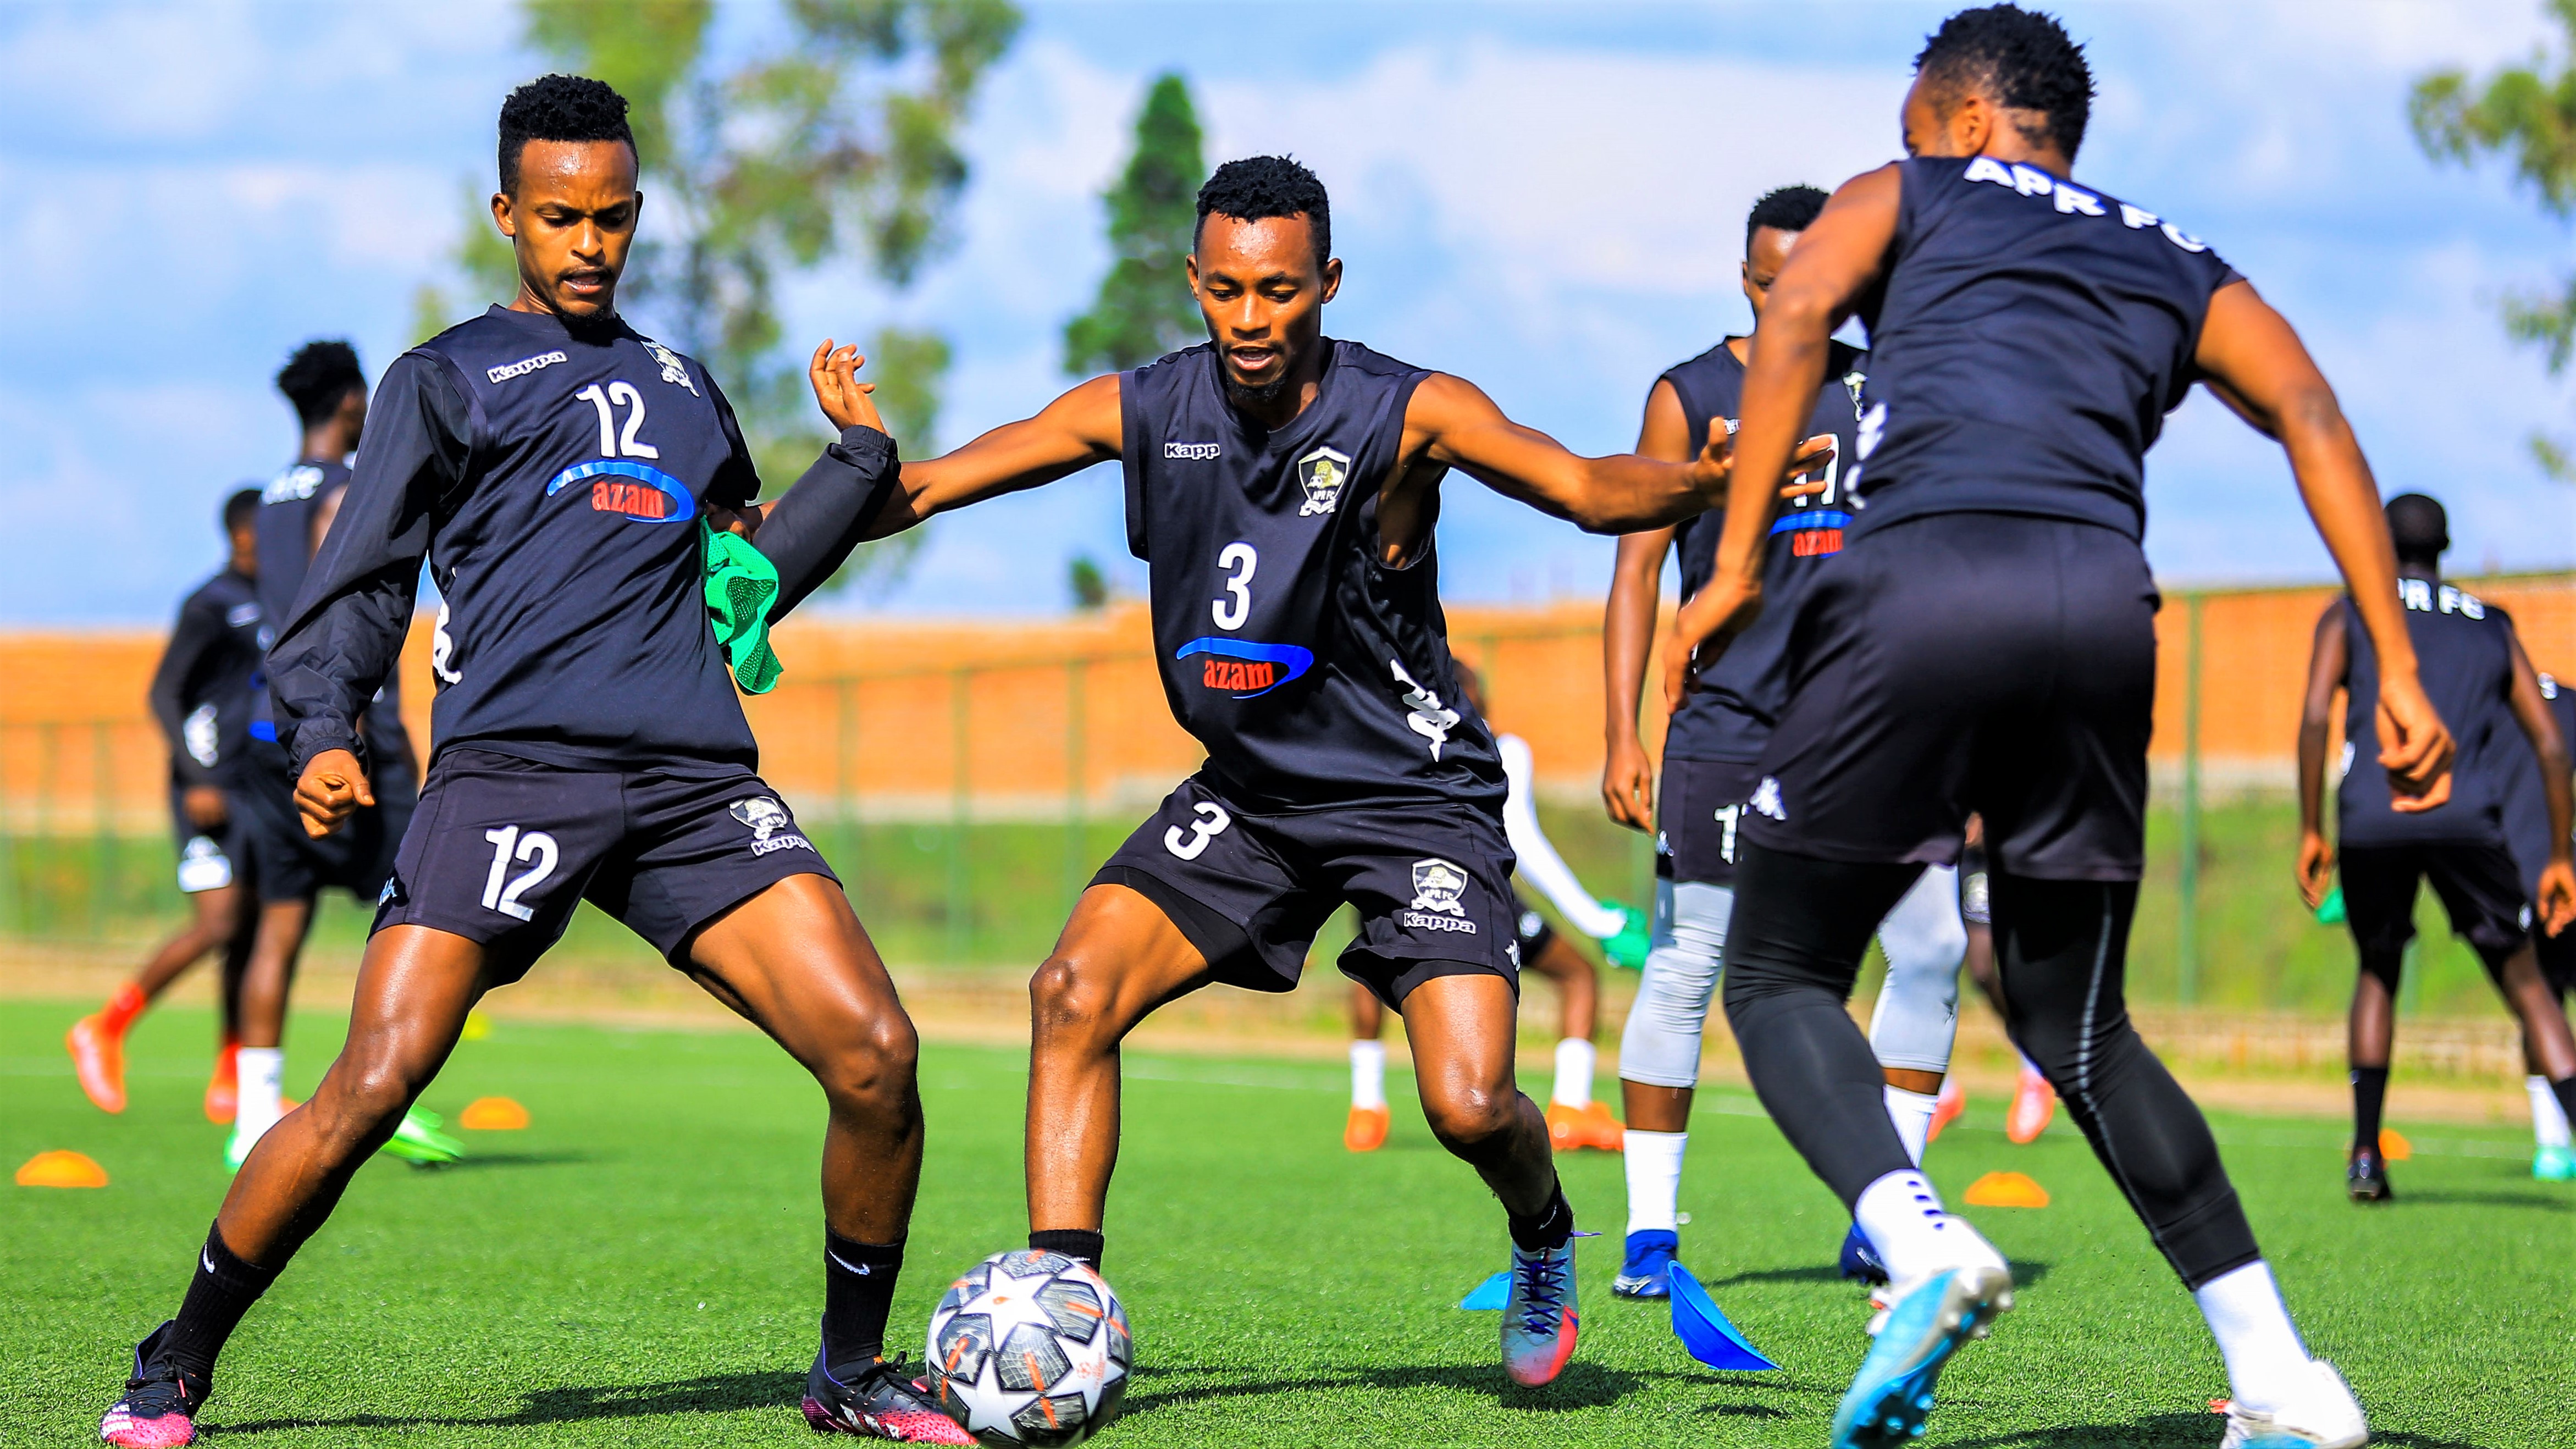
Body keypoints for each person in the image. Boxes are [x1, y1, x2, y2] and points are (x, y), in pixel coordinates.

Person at [97, 74, 957, 1448]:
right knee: (373, 1085)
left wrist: (855, 468)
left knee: (876, 1053)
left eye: (611, 217)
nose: (587, 242)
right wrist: (322, 732)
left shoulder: (685, 390)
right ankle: (173, 1361)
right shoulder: (443, 379)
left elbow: (739, 585)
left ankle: (849, 1373)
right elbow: (361, 581)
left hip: (690, 786)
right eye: (559, 215)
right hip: (510, 776)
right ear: (508, 212)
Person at [846, 154, 1782, 1389]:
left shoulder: (1412, 410)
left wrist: (1708, 485)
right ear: (1194, 282)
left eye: (1279, 291)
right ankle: (1065, 1317)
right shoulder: (1141, 407)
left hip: (1415, 801)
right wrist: (858, 465)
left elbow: (1585, 487)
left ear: (1326, 283)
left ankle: (1544, 1232)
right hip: (1252, 797)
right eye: (1226, 290)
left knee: (1466, 1102)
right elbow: (929, 487)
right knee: (1073, 991)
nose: (1250, 319)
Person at [1662, 8, 2462, 1446]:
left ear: (1966, 119)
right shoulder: (2171, 253)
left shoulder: (1906, 191)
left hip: (1917, 583)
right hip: (2099, 608)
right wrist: (2393, 665)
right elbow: (2309, 412)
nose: (1903, 142)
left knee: (1776, 967)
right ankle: (2282, 1380)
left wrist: (1727, 565)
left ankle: (1918, 1245)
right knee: (2074, 1021)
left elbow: (1789, 318)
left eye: (1914, 119)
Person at [1600, 184, 1967, 1301]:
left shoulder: (1886, 387)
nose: (1789, 296)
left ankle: (1888, 1213)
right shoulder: (1691, 393)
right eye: (1769, 280)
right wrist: (1624, 729)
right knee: (1688, 966)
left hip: (1867, 730)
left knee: (1937, 945)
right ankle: (1651, 1234)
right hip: (1723, 726)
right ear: (1746, 277)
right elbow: (1637, 572)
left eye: (1811, 279)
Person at [2295, 492, 2576, 1200]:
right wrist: (2561, 856)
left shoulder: (2352, 610)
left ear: (2382, 543)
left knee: (2377, 968)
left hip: (2371, 813)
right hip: (2466, 815)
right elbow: (2548, 742)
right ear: (2445, 546)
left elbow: (2311, 715)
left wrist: (2311, 827)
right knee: (2528, 984)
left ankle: (2365, 1154)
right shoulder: (2490, 623)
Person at [215, 339, 451, 1170]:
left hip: (266, 722)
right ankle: (378, 1092)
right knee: (412, 908)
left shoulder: (268, 502)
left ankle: (251, 1116)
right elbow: (355, 597)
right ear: (350, 401)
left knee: (279, 925)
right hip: (342, 725)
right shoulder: (346, 489)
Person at [1345, 661, 1640, 1155]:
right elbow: (1522, 839)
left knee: (1366, 974)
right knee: (1578, 975)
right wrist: (1598, 919)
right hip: (1475, 889)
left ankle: (1365, 1109)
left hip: (1392, 880)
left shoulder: (1389, 739)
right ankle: (1569, 1109)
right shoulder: (1499, 746)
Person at [67, 489, 266, 1121]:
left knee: (253, 930)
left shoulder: (273, 600)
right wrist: (196, 774)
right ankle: (105, 1026)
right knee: (217, 921)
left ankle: (231, 1073)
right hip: (204, 789)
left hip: (254, 789)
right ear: (241, 535)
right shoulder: (211, 604)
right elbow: (163, 693)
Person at [2503, 668, 2576, 1179]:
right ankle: (2552, 1146)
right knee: (2542, 999)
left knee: (2539, 1001)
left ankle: (2551, 1145)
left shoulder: (2489, 704)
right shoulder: (2570, 702)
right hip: (2564, 867)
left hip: (2517, 875)